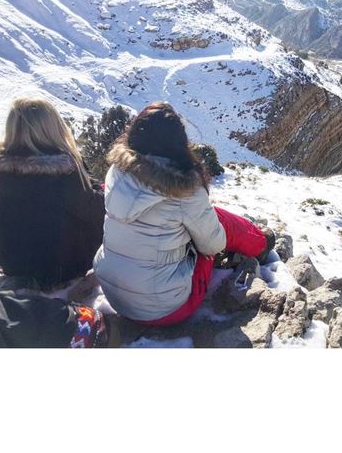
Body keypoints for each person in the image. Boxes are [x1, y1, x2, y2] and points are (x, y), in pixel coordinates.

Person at [94, 101, 274, 326]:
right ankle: (261, 244)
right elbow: (213, 246)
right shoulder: (184, 189)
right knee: (217, 221)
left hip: (114, 294)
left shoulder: (117, 171)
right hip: (165, 308)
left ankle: (257, 241)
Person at [0, 97, 105, 288]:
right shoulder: (66, 168)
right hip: (65, 267)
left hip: (13, 263)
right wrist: (100, 191)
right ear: (53, 127)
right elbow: (92, 211)